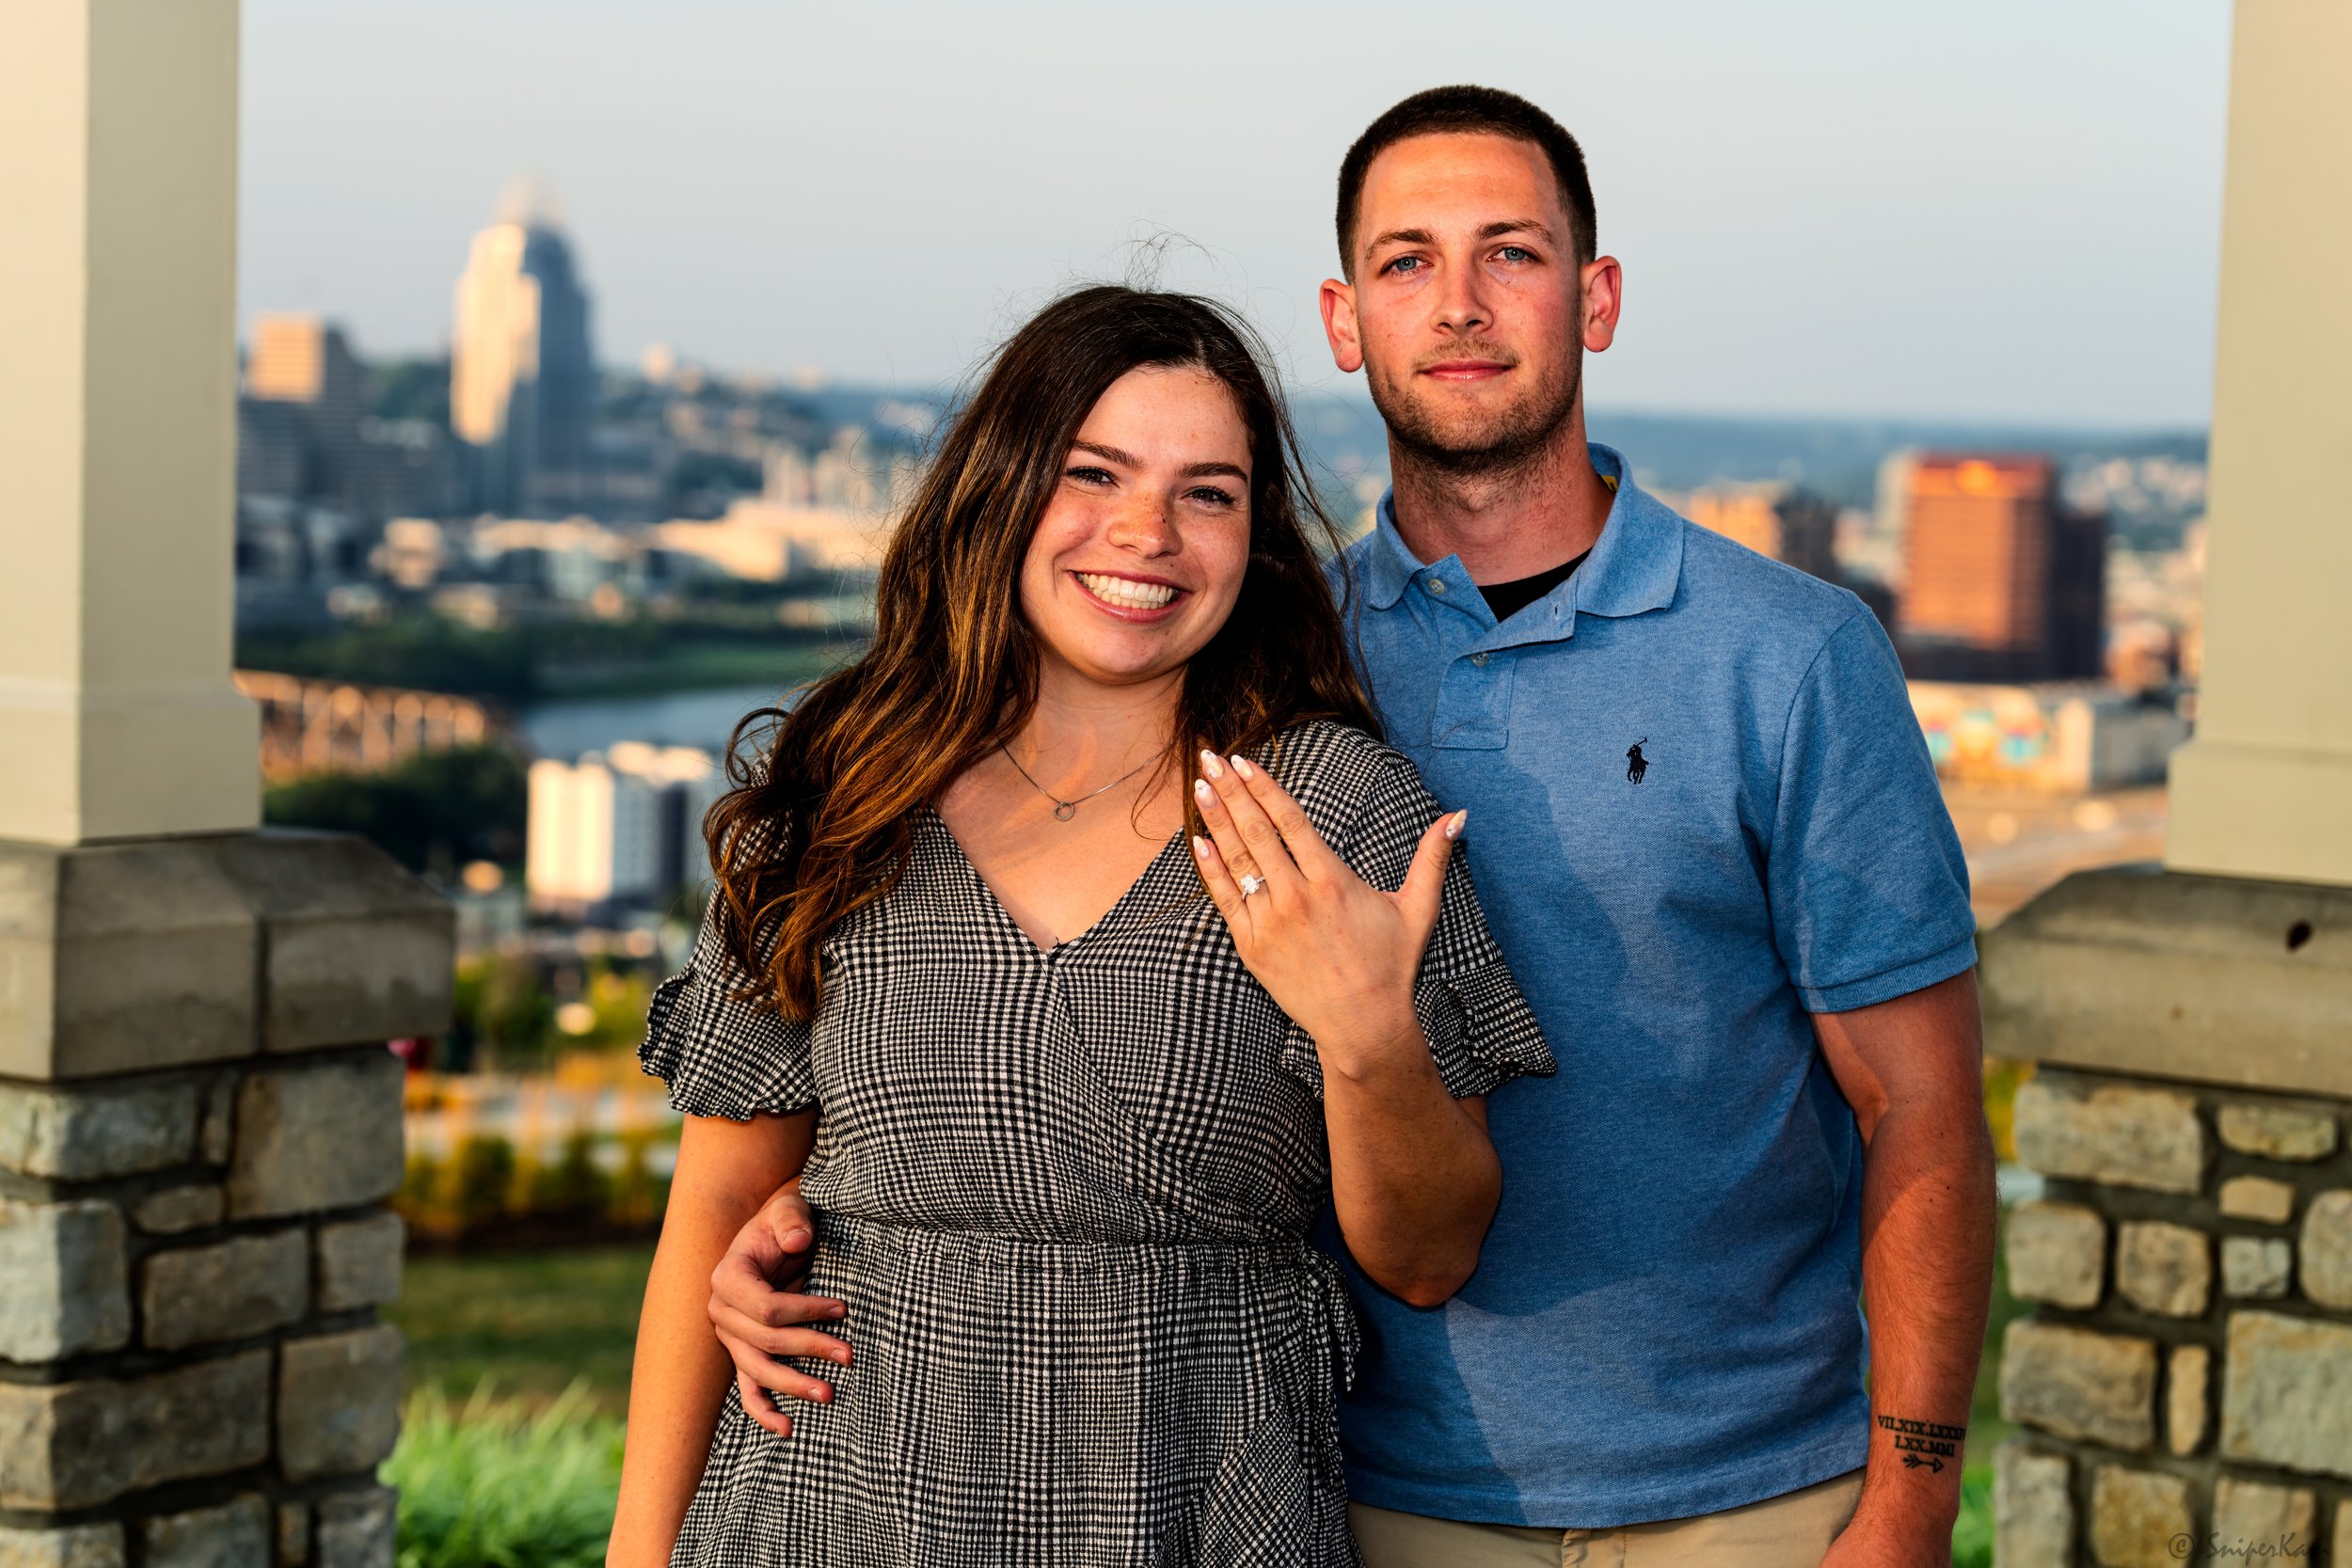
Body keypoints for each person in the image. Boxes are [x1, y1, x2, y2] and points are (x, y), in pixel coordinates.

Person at [713, 88, 1995, 1568]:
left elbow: (1923, 1108)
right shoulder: (1256, 659)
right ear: (1342, 319)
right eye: (1405, 263)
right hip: (1357, 1482)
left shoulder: (1789, 654)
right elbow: (1059, 1010)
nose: (1457, 305)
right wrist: (820, 1227)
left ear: (1598, 297)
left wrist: (1909, 1500)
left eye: (1509, 254)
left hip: (1747, 1492)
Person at [607, 284, 1554, 1568]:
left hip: (1197, 1519)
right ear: (1000, 490)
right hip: (828, 1516)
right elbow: (716, 1213)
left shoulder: (1330, 813)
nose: (1146, 532)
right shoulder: (847, 790)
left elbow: (1433, 1257)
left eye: (1207, 493)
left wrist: (1368, 1030)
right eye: (1092, 473)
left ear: (1256, 539)